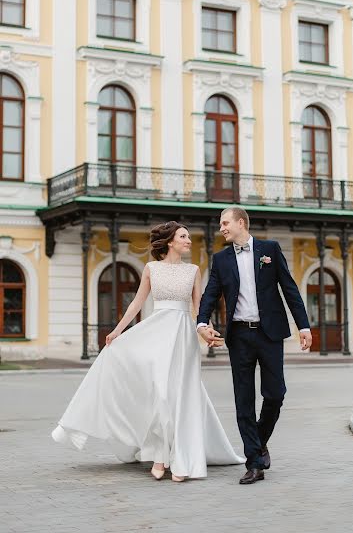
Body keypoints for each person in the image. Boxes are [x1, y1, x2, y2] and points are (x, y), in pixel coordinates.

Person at [52, 221, 244, 482]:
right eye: (183, 236)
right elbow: (137, 303)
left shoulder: (194, 270)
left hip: (183, 336)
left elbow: (200, 307)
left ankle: (181, 457)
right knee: (161, 394)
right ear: (169, 242)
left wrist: (206, 331)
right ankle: (160, 455)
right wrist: (118, 330)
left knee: (179, 395)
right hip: (157, 332)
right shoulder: (151, 268)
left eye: (188, 236)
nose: (189, 240)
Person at [197, 207, 312, 485]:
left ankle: (259, 442)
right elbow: (210, 294)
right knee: (243, 401)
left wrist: (304, 326)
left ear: (240, 222)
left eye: (225, 223)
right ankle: (254, 463)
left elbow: (290, 288)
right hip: (239, 337)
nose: (222, 228)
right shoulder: (221, 259)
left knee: (275, 394)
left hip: (269, 334)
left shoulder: (269, 249)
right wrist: (201, 323)